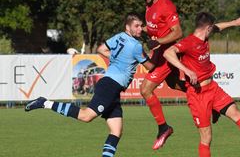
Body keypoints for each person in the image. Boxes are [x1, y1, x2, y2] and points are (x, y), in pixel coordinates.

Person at [24, 13, 155, 157]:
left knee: (116, 131)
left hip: (112, 87)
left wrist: (116, 59)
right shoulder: (135, 46)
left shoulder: (119, 37)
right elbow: (150, 67)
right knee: (86, 116)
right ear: (127, 27)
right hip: (110, 86)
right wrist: (155, 49)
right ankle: (45, 103)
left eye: (141, 26)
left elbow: (101, 49)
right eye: (136, 26)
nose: (140, 29)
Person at [163, 12, 240, 157]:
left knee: (236, 113)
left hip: (213, 88)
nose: (213, 31)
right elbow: (168, 52)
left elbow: (218, 27)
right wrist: (186, 70)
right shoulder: (189, 42)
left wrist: (234, 23)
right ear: (207, 28)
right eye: (212, 29)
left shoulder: (205, 34)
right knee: (206, 138)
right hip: (197, 95)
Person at [139, 0, 221, 150]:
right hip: (159, 52)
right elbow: (154, 28)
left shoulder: (166, 5)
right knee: (175, 84)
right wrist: (139, 30)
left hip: (168, 54)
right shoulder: (149, 5)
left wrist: (159, 41)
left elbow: (177, 33)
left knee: (145, 89)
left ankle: (163, 128)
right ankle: (211, 101)